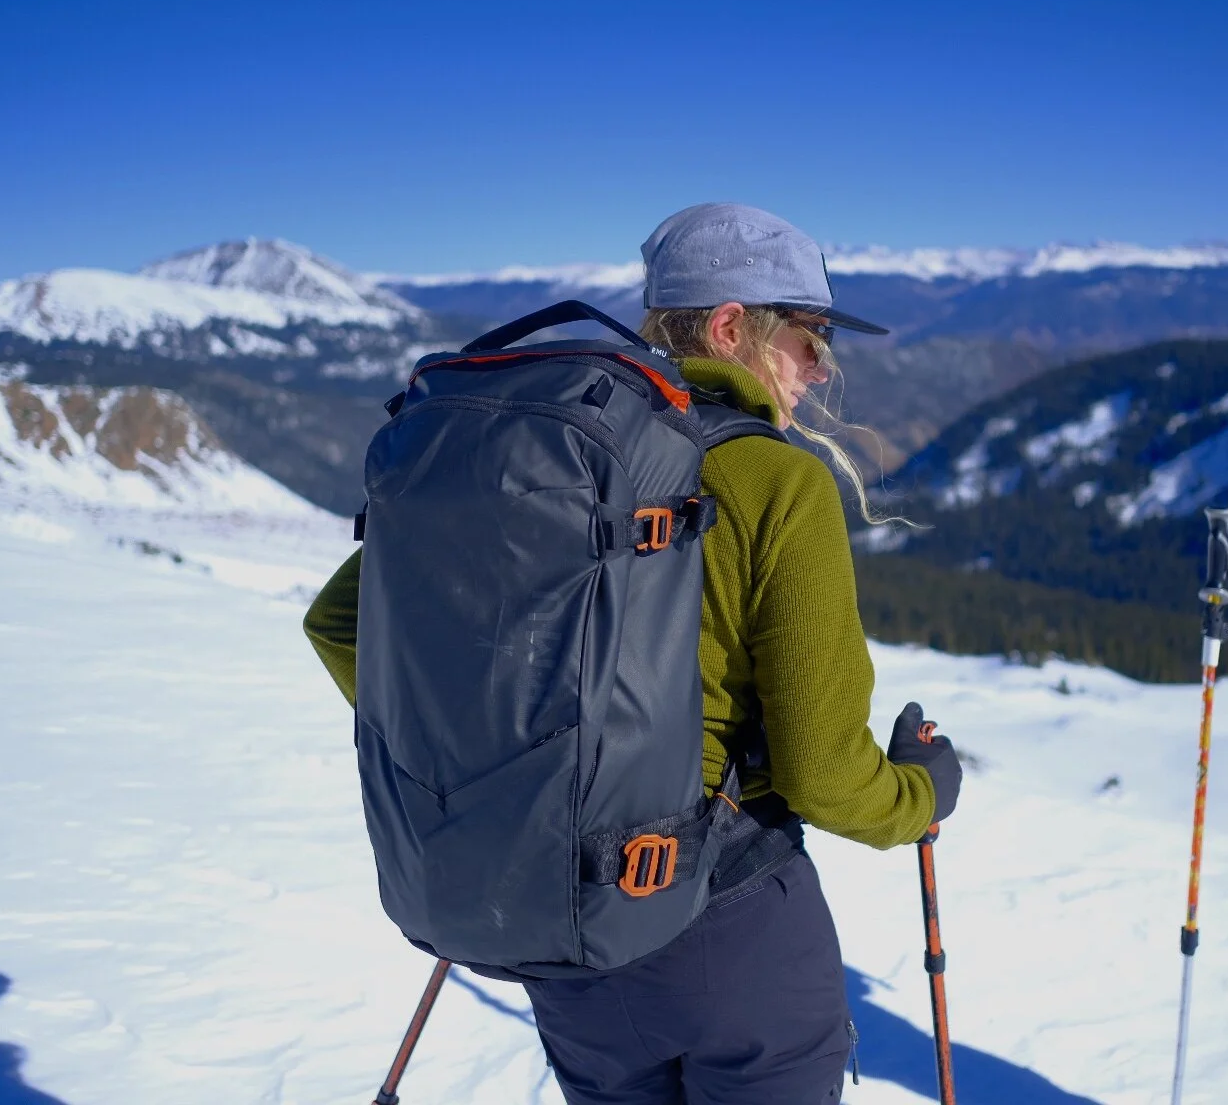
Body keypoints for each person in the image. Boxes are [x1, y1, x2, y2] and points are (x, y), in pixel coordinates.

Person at [304, 202, 962, 1104]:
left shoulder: (542, 452)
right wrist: (923, 793)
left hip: (568, 919)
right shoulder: (778, 479)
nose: (821, 370)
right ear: (732, 327)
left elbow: (342, 624)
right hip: (732, 921)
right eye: (811, 339)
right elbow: (823, 773)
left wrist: (495, 749)